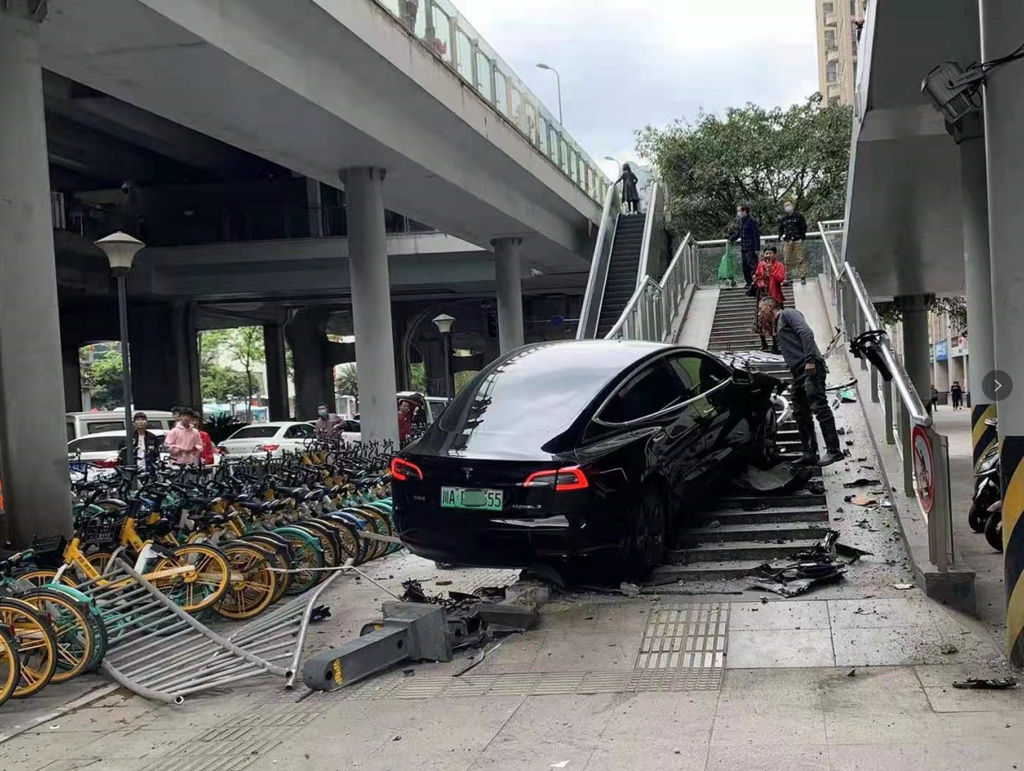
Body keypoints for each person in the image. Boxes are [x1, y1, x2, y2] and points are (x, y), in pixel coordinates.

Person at [760, 298, 844, 467]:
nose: (759, 313)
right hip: (799, 372)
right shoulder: (777, 326)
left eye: (760, 309)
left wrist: (810, 360)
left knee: (818, 406)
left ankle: (834, 450)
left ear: (770, 307)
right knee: (800, 411)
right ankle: (809, 452)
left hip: (810, 368)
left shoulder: (788, 314)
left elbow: (806, 333)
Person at [753, 247, 786, 353]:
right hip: (763, 296)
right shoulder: (761, 265)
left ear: (774, 254)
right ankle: (763, 342)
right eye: (766, 253)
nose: (768, 255)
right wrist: (761, 278)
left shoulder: (779, 265)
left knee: (776, 320)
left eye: (770, 253)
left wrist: (772, 270)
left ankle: (776, 344)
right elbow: (757, 277)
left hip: (775, 297)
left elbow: (781, 279)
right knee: (761, 319)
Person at [729, 205, 761, 287]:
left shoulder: (751, 221)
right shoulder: (741, 221)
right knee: (745, 265)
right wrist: (731, 239)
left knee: (753, 265)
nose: (739, 213)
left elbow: (756, 235)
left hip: (751, 247)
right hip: (744, 247)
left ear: (745, 211)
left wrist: (757, 248)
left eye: (740, 211)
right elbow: (739, 234)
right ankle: (748, 282)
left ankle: (755, 282)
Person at [778, 201, 808, 283]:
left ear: (792, 206)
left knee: (800, 259)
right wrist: (781, 236)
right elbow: (780, 229)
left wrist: (801, 237)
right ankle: (788, 277)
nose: (787, 207)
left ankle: (803, 276)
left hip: (798, 240)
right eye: (785, 206)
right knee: (787, 259)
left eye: (789, 205)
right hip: (788, 241)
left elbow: (804, 227)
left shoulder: (799, 216)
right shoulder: (784, 218)